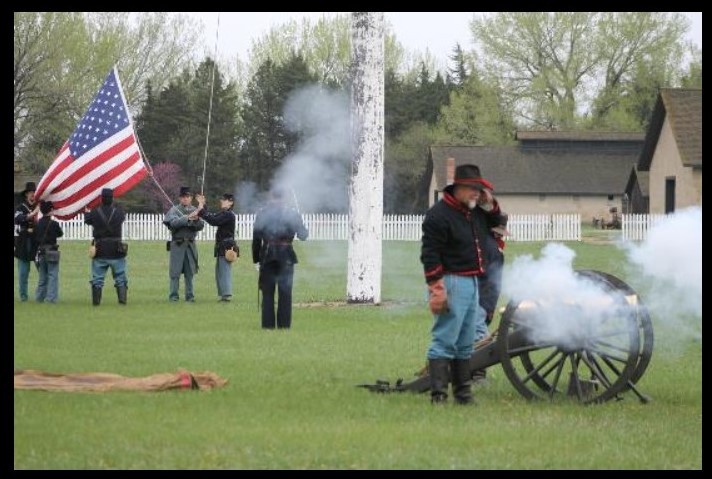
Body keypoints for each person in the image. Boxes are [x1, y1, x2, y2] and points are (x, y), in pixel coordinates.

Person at [420, 164, 504, 405]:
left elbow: (496, 221)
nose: (476, 194)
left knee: (466, 342)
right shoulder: (438, 215)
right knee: (445, 339)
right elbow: (430, 254)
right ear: (457, 188)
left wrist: (490, 203)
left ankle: (463, 395)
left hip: (473, 281)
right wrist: (436, 288)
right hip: (452, 281)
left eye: (479, 190)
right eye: (472, 189)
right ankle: (438, 396)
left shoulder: (474, 211)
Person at [252, 187, 309, 329]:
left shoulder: (262, 214)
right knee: (285, 294)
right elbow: (303, 236)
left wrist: (256, 259)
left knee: (267, 294)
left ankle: (268, 326)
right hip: (286, 257)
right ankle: (284, 326)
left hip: (267, 256)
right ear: (284, 197)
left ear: (271, 196)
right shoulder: (292, 214)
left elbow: (256, 239)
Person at [84, 188, 129, 305]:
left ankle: (96, 302)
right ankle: (122, 301)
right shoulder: (119, 213)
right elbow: (122, 218)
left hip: (100, 249)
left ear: (101, 199)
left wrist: (86, 211)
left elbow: (87, 220)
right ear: (112, 199)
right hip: (116, 250)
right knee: (120, 277)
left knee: (97, 279)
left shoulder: (94, 213)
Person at [194, 192, 238, 302]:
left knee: (224, 271)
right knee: (220, 271)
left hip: (226, 246)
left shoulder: (229, 214)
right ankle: (224, 294)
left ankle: (226, 295)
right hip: (222, 246)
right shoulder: (225, 213)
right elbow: (212, 216)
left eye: (224, 200)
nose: (221, 201)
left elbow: (214, 221)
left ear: (231, 202)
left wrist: (201, 210)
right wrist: (203, 205)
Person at [163, 186, 205, 302]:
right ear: (179, 198)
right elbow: (173, 224)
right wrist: (187, 218)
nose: (185, 199)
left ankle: (190, 296)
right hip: (178, 244)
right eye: (183, 197)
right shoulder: (174, 210)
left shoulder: (195, 209)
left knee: (189, 272)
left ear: (191, 198)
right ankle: (173, 296)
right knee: (175, 272)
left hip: (190, 245)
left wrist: (195, 219)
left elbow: (201, 226)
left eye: (187, 197)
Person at [14, 181, 40, 302]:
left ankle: (41, 296)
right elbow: (18, 218)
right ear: (26, 195)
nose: (32, 195)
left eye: (34, 192)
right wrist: (32, 214)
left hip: (37, 240)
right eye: (30, 192)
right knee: (23, 273)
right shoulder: (20, 207)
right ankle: (24, 297)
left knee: (42, 270)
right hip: (23, 242)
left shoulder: (40, 206)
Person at [34, 201, 63, 303]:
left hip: (41, 251)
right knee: (52, 275)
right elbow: (60, 233)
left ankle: (39, 297)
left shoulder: (37, 223)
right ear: (50, 210)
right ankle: (51, 298)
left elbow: (35, 237)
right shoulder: (54, 224)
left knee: (42, 276)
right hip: (51, 251)